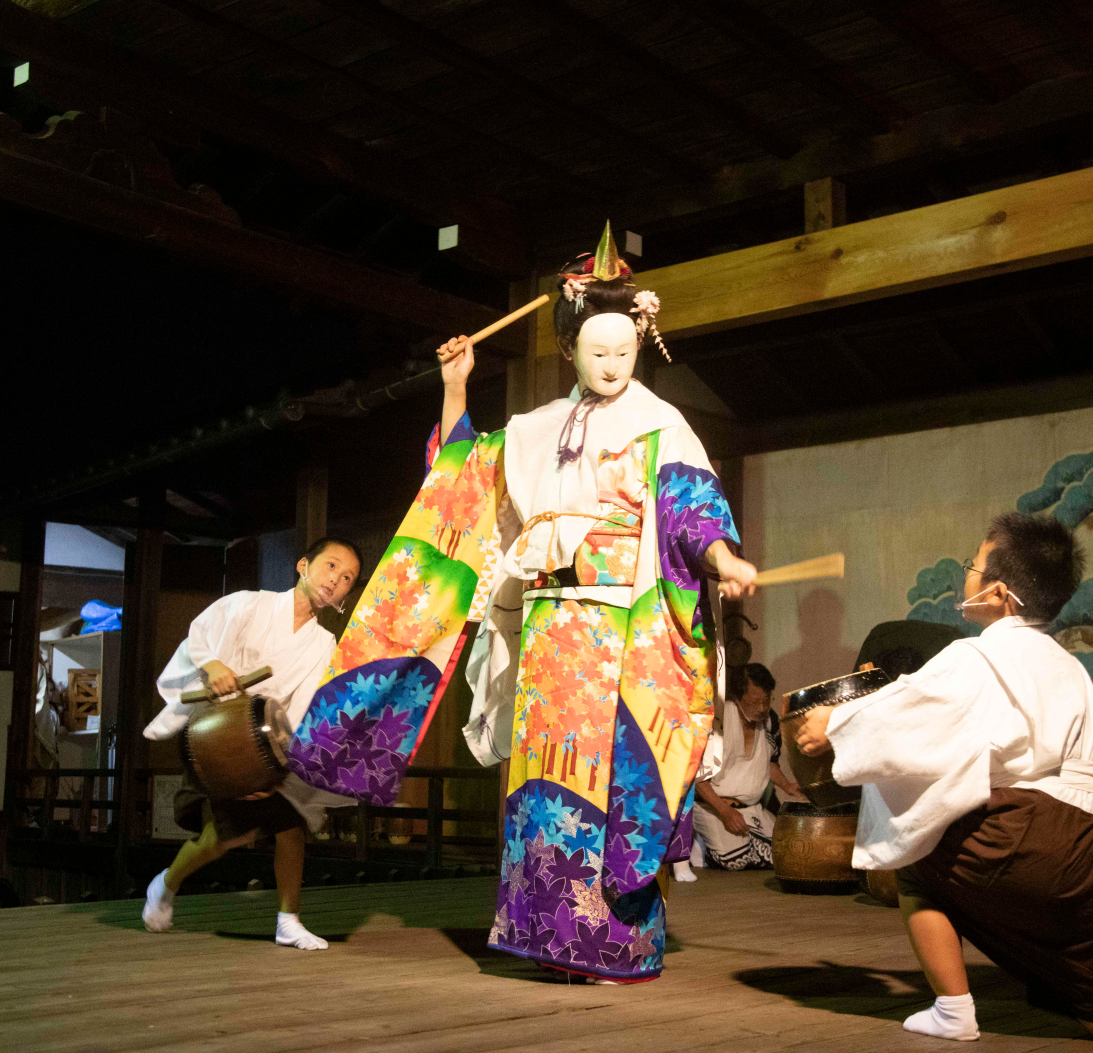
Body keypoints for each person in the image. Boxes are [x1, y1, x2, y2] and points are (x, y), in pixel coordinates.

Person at [300, 224, 754, 983]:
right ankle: (548, 940)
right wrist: (455, 386)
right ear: (570, 348)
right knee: (547, 788)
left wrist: (722, 556)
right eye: (597, 352)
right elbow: (463, 479)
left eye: (624, 352)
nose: (612, 365)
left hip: (619, 631)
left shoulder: (660, 423)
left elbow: (690, 505)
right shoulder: (538, 430)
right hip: (549, 633)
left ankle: (612, 944)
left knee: (609, 791)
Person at [794, 513, 1093, 1052]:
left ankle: (952, 1010)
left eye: (973, 567)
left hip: (1025, 834)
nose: (967, 575)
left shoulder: (975, 655)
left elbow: (908, 716)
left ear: (999, 592)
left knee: (913, 856)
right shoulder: (1069, 667)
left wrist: (833, 727)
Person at [138, 538, 363, 949]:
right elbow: (199, 637)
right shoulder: (249, 604)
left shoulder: (322, 644)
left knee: (291, 825)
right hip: (217, 732)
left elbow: (303, 705)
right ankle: (165, 884)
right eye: (331, 566)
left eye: (347, 577)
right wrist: (213, 664)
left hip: (264, 746)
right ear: (302, 565)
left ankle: (288, 920)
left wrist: (275, 766)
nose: (336, 580)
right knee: (224, 837)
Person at [691, 663, 800, 871]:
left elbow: (769, 763)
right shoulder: (718, 719)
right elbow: (698, 776)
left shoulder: (771, 723)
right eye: (755, 702)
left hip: (751, 808)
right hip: (713, 807)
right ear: (737, 698)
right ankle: (703, 842)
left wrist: (787, 786)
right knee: (736, 860)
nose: (761, 708)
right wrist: (724, 812)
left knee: (788, 851)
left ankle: (750, 842)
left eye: (766, 701)